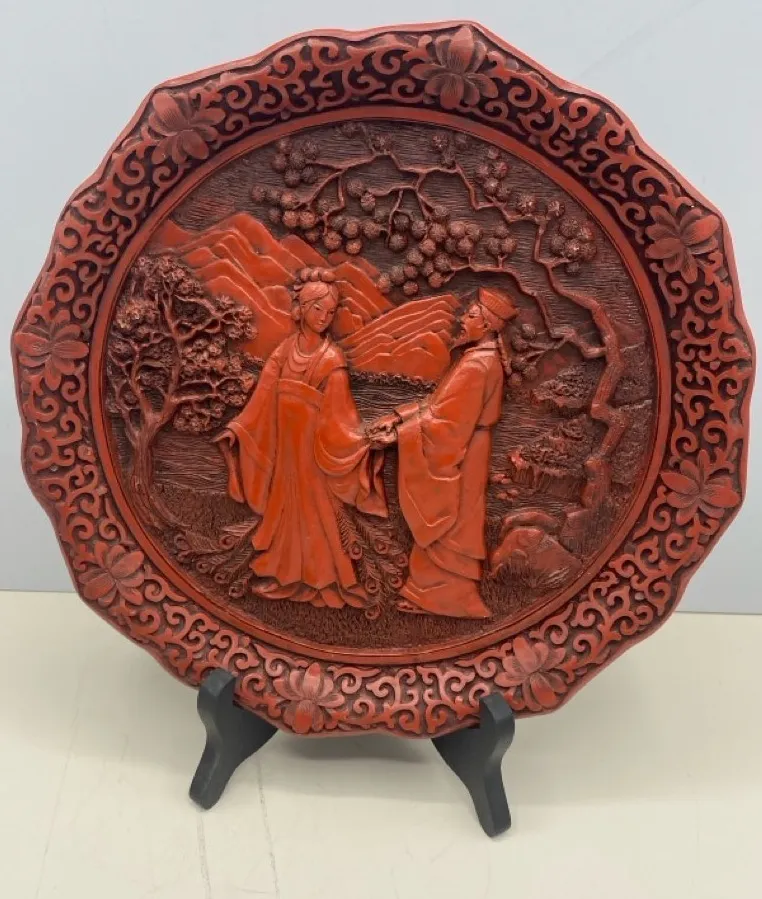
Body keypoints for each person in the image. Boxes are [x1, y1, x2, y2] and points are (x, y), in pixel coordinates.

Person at [214, 267, 388, 610]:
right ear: (301, 309)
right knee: (285, 510)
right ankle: (288, 577)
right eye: (317, 309)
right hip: (286, 448)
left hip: (314, 450)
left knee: (314, 510)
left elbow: (341, 415)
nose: (324, 317)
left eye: (330, 312)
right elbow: (263, 398)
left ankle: (322, 581)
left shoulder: (332, 360)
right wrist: (238, 428)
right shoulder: (284, 351)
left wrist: (359, 443)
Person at [368, 287, 517, 619]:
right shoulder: (479, 358)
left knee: (452, 521)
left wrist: (400, 434)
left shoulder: (478, 364)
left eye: (471, 315)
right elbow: (439, 407)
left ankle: (449, 598)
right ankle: (429, 592)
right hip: (470, 443)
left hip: (463, 449)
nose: (463, 320)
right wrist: (400, 416)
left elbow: (448, 424)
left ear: (487, 325)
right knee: (457, 518)